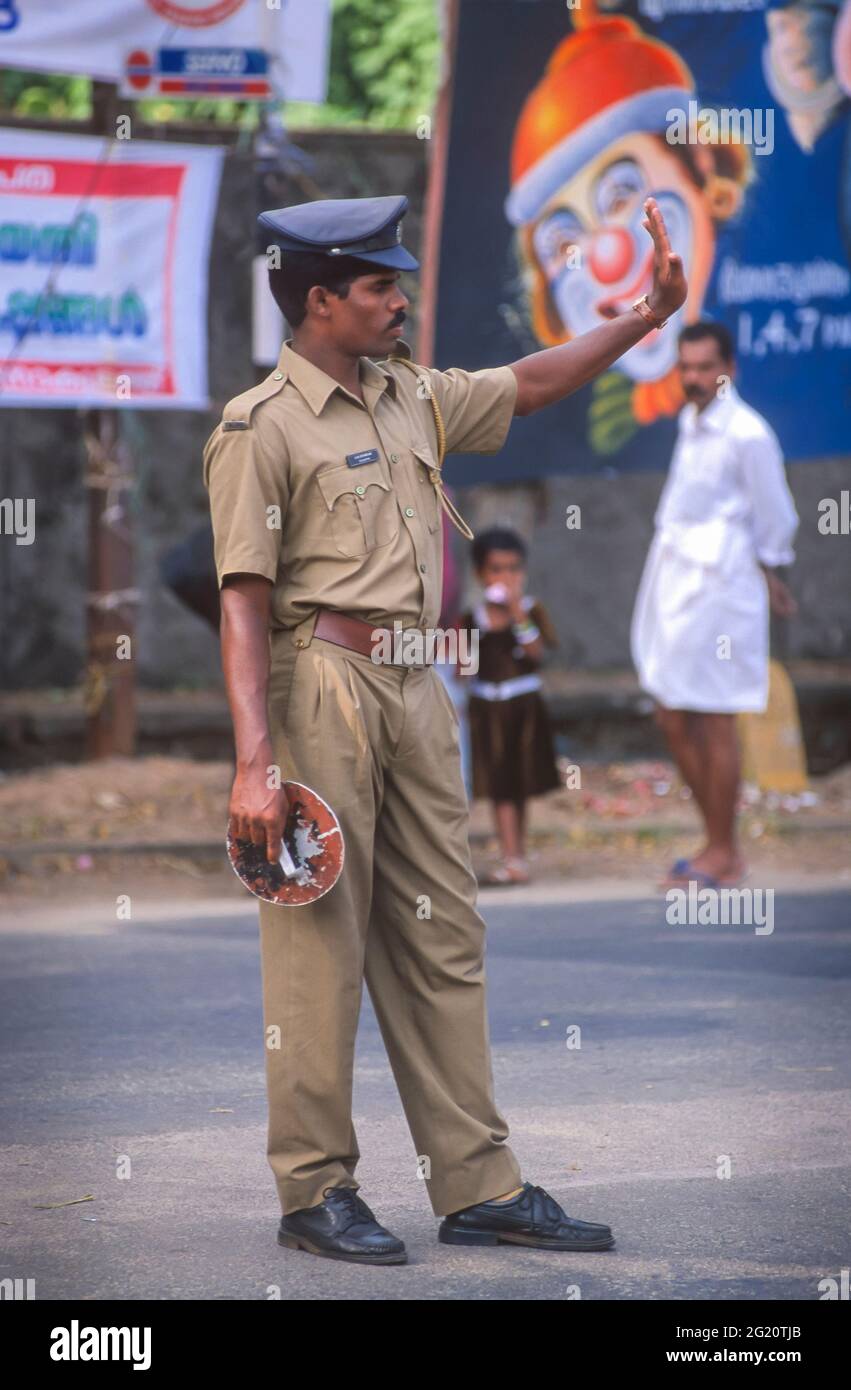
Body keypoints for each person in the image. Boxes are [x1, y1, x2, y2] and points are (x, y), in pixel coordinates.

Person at [203, 191, 686, 1264]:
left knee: (442, 935)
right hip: (321, 678)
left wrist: (643, 318)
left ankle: (477, 1185)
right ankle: (314, 1190)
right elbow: (242, 601)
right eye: (378, 286)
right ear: (319, 299)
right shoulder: (259, 426)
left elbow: (539, 378)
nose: (398, 300)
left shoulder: (409, 395)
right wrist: (253, 765)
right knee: (318, 941)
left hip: (417, 687)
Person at [630, 321, 799, 889]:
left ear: (731, 368)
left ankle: (723, 852)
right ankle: (717, 844)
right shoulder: (691, 419)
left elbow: (776, 516)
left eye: (706, 367)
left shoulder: (748, 433)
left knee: (714, 716)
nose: (695, 379)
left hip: (723, 590)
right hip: (676, 582)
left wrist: (771, 567)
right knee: (671, 712)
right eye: (687, 368)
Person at [457, 526, 560, 885]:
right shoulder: (474, 618)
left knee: (522, 783)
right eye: (496, 569)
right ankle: (512, 857)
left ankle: (517, 854)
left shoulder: (531, 611)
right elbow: (462, 669)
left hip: (525, 710)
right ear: (480, 575)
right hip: (489, 712)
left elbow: (537, 654)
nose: (506, 577)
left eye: (513, 569)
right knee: (500, 786)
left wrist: (518, 615)